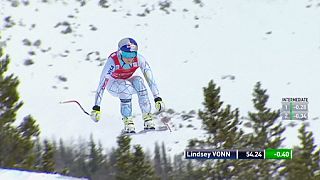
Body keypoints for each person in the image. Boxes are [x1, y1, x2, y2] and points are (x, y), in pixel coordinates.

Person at [91, 38, 165, 133]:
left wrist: (157, 98)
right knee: (125, 86)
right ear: (120, 52)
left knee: (139, 81)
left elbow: (150, 79)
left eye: (132, 54)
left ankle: (147, 118)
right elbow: (102, 83)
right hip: (113, 84)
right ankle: (128, 121)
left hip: (126, 80)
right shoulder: (113, 61)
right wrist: (96, 107)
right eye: (126, 54)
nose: (130, 58)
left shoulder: (139, 59)